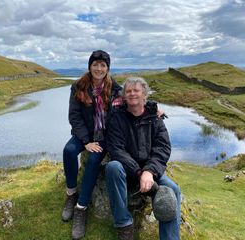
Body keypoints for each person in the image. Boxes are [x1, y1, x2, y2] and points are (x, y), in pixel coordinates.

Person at [105, 77, 181, 240]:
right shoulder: (117, 117)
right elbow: (116, 149)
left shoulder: (155, 118)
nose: (132, 94)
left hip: (151, 173)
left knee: (173, 190)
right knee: (112, 167)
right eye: (128, 91)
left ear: (144, 94)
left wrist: (150, 171)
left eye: (136, 90)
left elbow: (163, 148)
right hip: (127, 171)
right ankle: (124, 224)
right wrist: (140, 173)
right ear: (123, 96)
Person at [62, 50, 122, 240]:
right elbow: (74, 116)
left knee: (95, 159)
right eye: (95, 64)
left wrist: (153, 107)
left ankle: (81, 207)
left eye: (103, 65)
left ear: (107, 68)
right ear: (90, 66)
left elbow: (134, 99)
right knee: (69, 150)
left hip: (104, 135)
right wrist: (86, 141)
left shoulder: (115, 89)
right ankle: (71, 193)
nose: (99, 68)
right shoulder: (78, 86)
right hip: (84, 134)